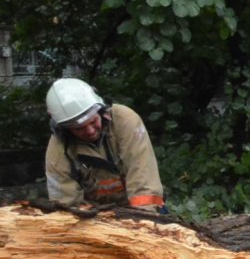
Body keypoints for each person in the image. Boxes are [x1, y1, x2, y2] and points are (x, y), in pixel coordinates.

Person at [43, 78, 165, 210]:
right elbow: (65, 203)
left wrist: (144, 221)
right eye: (79, 128)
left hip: (138, 208)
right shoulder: (59, 148)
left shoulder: (124, 120)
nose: (89, 130)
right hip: (95, 218)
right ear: (65, 129)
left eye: (93, 121)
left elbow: (143, 179)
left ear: (100, 110)